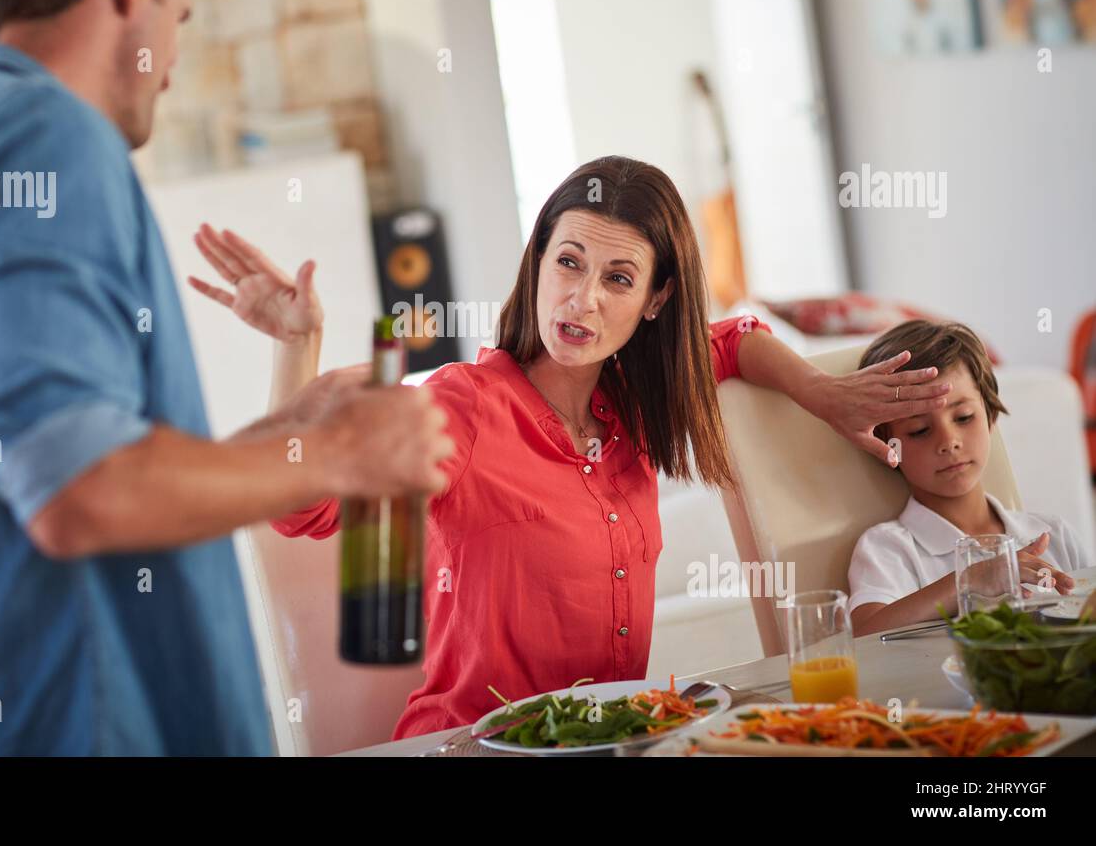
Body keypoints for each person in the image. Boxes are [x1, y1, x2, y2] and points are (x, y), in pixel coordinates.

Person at [0, 0, 450, 755]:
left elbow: (55, 467)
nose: (172, 60)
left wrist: (285, 432)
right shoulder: (50, 135)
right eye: (180, 13)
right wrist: (345, 454)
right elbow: (75, 490)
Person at [190, 156, 953, 737]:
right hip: (469, 746)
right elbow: (303, 511)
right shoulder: (466, 407)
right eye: (569, 262)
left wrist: (821, 393)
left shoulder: (634, 407)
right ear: (539, 262)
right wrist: (300, 352)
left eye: (619, 279)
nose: (582, 298)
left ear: (656, 300)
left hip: (602, 743)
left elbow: (733, 338)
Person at [848, 320, 1088, 636]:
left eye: (963, 418)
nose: (949, 441)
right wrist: (971, 578)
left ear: (989, 415)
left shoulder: (1051, 533)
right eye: (920, 430)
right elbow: (865, 635)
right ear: (886, 444)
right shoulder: (889, 548)